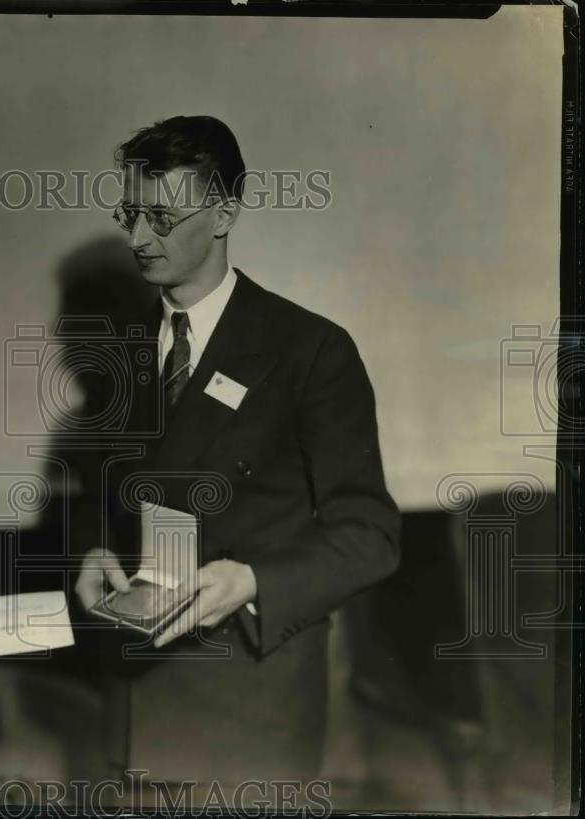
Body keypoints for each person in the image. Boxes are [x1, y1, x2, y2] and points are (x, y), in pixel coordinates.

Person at [73, 116, 401, 799]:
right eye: (129, 214)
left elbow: (370, 535)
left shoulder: (310, 350)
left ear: (225, 211)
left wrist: (250, 580)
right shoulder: (123, 352)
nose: (137, 238)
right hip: (132, 699)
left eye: (161, 217)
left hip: (248, 704)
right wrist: (95, 552)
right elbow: (101, 495)